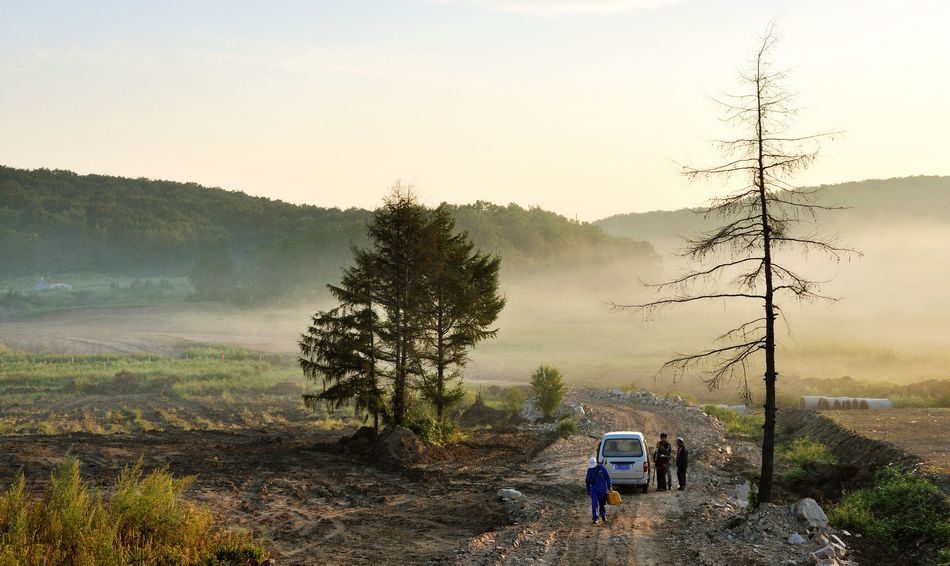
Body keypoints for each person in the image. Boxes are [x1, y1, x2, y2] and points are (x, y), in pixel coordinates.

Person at [585, 456, 612, 524]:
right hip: (594, 490)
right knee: (594, 504)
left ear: (596, 462)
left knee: (602, 504)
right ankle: (595, 518)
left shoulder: (602, 468)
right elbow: (587, 481)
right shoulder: (589, 470)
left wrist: (610, 486)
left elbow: (607, 478)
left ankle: (603, 515)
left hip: (603, 490)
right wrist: (588, 490)